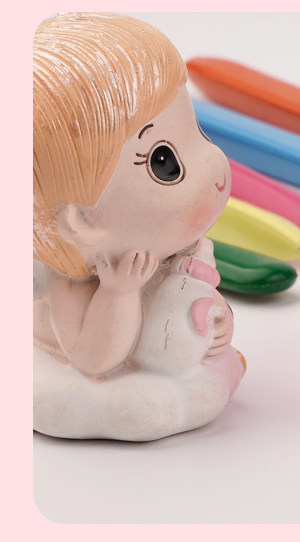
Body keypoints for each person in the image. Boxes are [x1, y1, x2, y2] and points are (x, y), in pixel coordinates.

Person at [33, 13, 245, 441]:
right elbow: (95, 359)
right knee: (136, 405)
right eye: (165, 163)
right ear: (83, 222)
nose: (214, 165)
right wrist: (118, 292)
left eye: (198, 131)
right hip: (94, 361)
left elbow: (195, 295)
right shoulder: (70, 285)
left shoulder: (172, 247)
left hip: (169, 355)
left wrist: (217, 321)